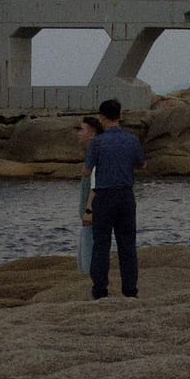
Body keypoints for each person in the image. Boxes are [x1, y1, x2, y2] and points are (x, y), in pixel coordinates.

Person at [83, 98, 145, 300]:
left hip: (104, 196)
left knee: (101, 245)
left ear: (102, 118)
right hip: (126, 195)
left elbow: (87, 170)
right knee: (127, 245)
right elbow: (141, 164)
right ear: (120, 116)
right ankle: (130, 291)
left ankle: (100, 291)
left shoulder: (98, 142)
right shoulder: (132, 140)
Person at [74, 114, 102, 277]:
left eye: (82, 130)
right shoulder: (92, 152)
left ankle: (92, 288)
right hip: (88, 215)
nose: (79, 133)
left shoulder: (96, 153)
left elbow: (96, 183)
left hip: (91, 215)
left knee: (88, 261)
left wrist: (89, 211)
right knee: (83, 259)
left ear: (92, 133)